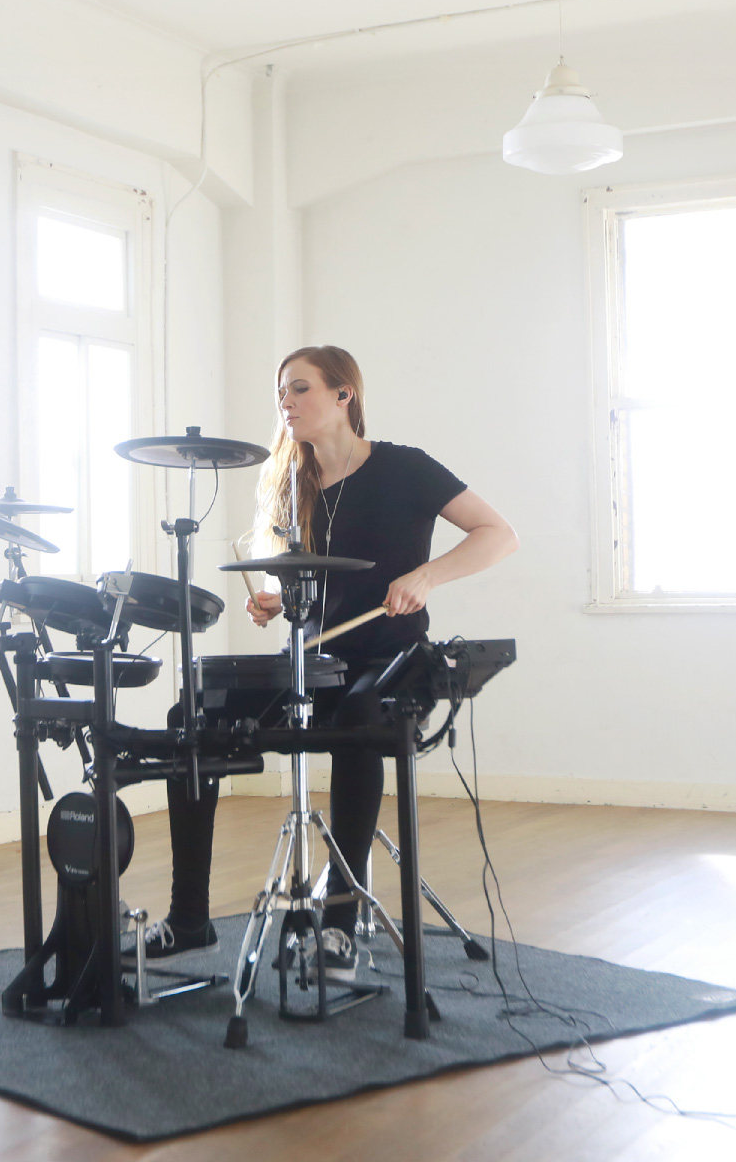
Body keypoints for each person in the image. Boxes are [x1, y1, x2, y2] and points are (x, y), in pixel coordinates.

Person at [134, 344, 518, 970]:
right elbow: (309, 586)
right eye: (281, 391)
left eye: (300, 388)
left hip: (390, 662)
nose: (285, 402)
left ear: (344, 395)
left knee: (358, 720)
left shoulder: (406, 467)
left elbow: (500, 535)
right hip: (315, 662)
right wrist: (277, 600)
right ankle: (189, 917)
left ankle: (339, 923)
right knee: (192, 716)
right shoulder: (294, 484)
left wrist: (426, 576)